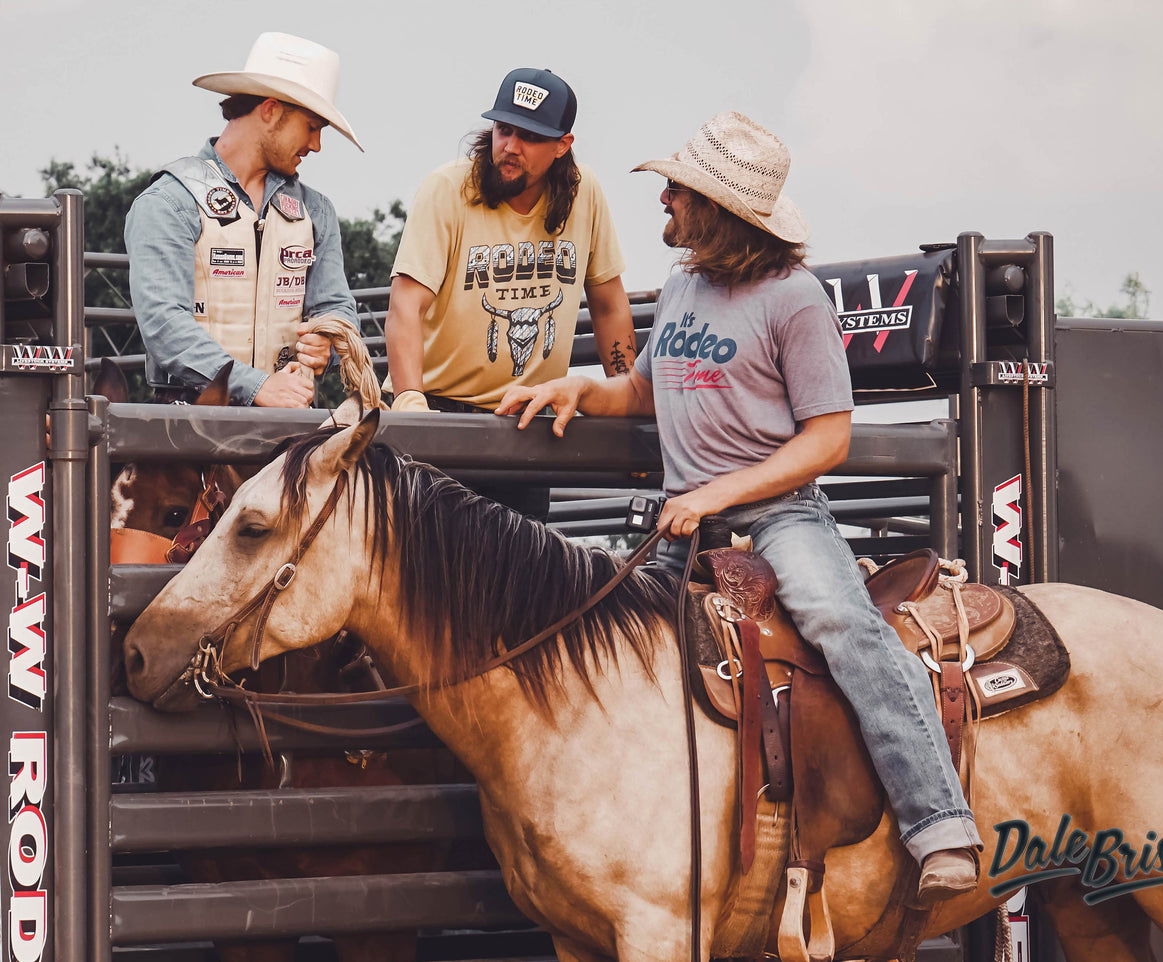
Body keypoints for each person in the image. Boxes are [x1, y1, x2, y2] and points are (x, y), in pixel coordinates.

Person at [496, 111, 982, 901]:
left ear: (715, 209)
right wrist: (578, 388)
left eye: (677, 191)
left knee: (842, 625)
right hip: (686, 522)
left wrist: (718, 491)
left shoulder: (794, 300)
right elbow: (645, 391)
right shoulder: (685, 285)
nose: (664, 202)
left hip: (779, 519)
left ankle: (940, 827)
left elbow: (828, 440)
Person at [383, 67, 636, 518]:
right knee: (424, 578)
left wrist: (628, 396)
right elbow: (405, 303)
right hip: (438, 410)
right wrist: (410, 403)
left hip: (526, 421)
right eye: (504, 129)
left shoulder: (585, 193)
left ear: (563, 145)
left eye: (530, 136)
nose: (510, 147)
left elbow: (609, 303)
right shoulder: (447, 188)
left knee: (517, 583)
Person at [125, 32, 361, 407]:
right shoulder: (169, 201)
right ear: (270, 111)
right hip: (189, 422)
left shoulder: (317, 211)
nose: (316, 145)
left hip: (290, 420)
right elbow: (164, 324)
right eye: (312, 126)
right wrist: (259, 387)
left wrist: (328, 342)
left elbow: (339, 310)